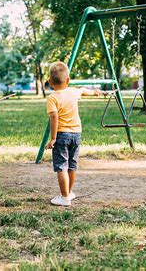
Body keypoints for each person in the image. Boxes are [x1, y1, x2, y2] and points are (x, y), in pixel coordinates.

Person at [45, 62, 103, 206]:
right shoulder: (72, 92)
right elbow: (83, 90)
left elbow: (54, 117)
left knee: (61, 167)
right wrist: (95, 92)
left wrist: (53, 138)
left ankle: (64, 198)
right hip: (76, 134)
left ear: (50, 82)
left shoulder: (52, 98)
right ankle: (69, 193)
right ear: (68, 80)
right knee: (72, 166)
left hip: (62, 135)